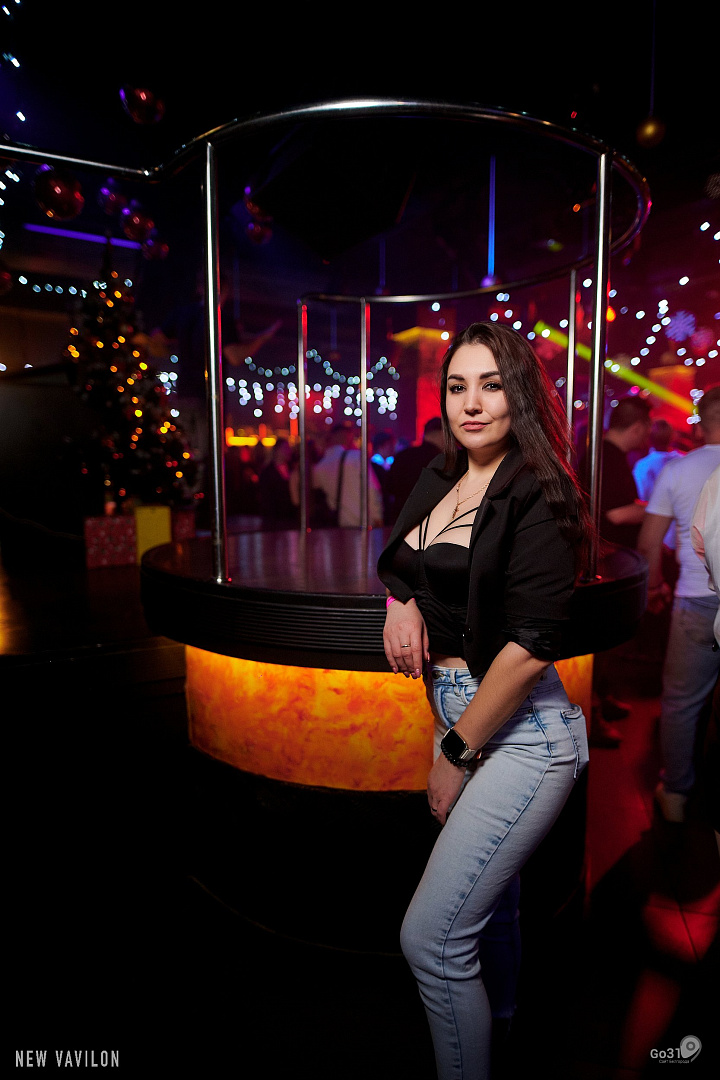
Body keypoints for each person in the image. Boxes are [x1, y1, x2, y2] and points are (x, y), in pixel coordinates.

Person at [377, 322, 591, 1080]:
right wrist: (400, 602)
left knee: (431, 941)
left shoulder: (542, 489)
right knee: (491, 909)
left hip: (525, 733)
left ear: (520, 395)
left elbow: (530, 647)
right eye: (458, 386)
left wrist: (455, 753)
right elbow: (402, 561)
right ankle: (496, 1036)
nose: (471, 403)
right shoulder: (438, 476)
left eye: (491, 385)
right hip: (459, 709)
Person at [637, 386, 720, 824]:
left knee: (682, 703)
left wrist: (653, 590)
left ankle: (676, 794)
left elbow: (649, 541)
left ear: (700, 424)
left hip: (696, 598)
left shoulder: (679, 469)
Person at [579, 395, 653, 747]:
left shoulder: (607, 454)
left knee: (606, 643)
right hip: (601, 561)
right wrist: (657, 509)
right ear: (637, 427)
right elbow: (614, 514)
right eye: (646, 429)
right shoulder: (605, 456)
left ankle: (602, 704)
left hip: (604, 559)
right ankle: (594, 715)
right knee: (599, 642)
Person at [312, 423, 383, 528]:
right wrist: (378, 517)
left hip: (337, 525)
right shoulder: (356, 457)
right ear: (346, 436)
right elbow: (372, 490)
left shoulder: (319, 467)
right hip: (363, 523)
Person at [385, 416, 446, 524]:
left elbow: (389, 488)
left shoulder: (402, 456)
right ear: (442, 434)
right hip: (429, 523)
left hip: (400, 521)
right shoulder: (441, 460)